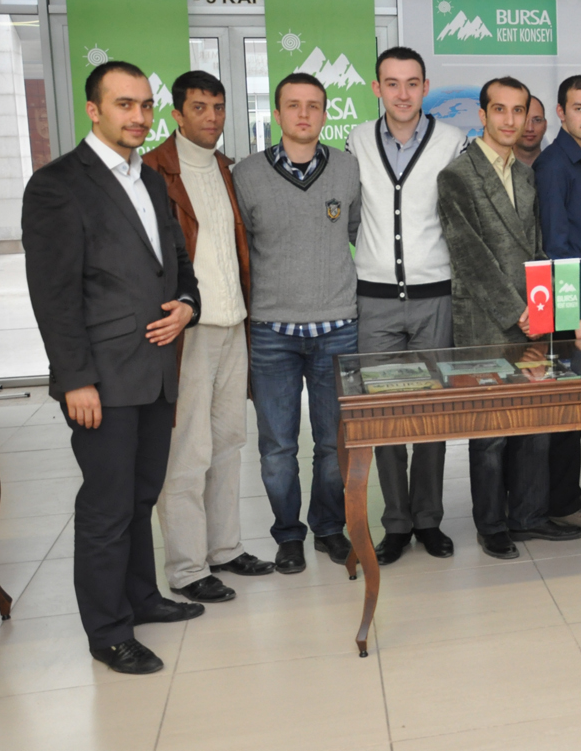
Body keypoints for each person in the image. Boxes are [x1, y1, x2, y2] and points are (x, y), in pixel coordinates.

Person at [23, 61, 202, 675]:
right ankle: (107, 631)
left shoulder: (149, 178)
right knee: (106, 506)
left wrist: (188, 304)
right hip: (101, 378)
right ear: (93, 110)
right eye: (124, 104)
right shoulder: (57, 185)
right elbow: (53, 295)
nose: (139, 116)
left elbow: (178, 262)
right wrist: (75, 378)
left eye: (145, 105)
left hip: (156, 370)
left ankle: (142, 598)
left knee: (141, 496)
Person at [436, 77, 581, 559]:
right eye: (499, 109)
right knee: (491, 433)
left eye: (518, 110)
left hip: (531, 321)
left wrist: (541, 311)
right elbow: (469, 255)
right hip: (486, 320)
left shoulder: (526, 174)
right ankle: (492, 525)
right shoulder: (457, 175)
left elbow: (538, 250)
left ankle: (529, 516)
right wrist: (515, 310)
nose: (509, 119)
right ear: (482, 115)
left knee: (534, 424)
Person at [142, 70, 271, 603]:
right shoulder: (153, 171)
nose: (212, 117)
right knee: (187, 452)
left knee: (229, 444)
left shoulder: (224, 167)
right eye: (199, 107)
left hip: (233, 323)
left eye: (218, 107)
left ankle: (224, 548)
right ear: (176, 114)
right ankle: (187, 568)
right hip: (187, 333)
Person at [233, 72, 361, 574]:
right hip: (272, 334)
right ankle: (288, 535)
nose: (304, 114)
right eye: (293, 105)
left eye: (313, 105)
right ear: (277, 113)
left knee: (333, 444)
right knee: (277, 449)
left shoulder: (347, 168)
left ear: (326, 113)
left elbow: (358, 231)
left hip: (337, 329)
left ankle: (328, 528)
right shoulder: (246, 175)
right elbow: (242, 249)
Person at [347, 47, 468, 565]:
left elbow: (460, 214)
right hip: (374, 300)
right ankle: (396, 522)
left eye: (412, 83)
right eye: (392, 83)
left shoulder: (452, 140)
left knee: (432, 411)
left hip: (433, 295)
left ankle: (429, 519)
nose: (402, 93)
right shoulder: (357, 140)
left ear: (425, 87)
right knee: (385, 413)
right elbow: (353, 213)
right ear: (377, 88)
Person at [533, 75, 581, 535]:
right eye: (579, 108)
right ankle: (561, 503)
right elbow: (556, 247)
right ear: (561, 113)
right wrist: (577, 313)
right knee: (565, 410)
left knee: (577, 406)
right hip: (566, 309)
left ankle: (569, 490)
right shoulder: (554, 166)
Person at [514, 95, 547, 166]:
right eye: (523, 120)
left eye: (537, 120)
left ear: (545, 125)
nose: (530, 128)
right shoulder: (495, 167)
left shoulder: (558, 167)